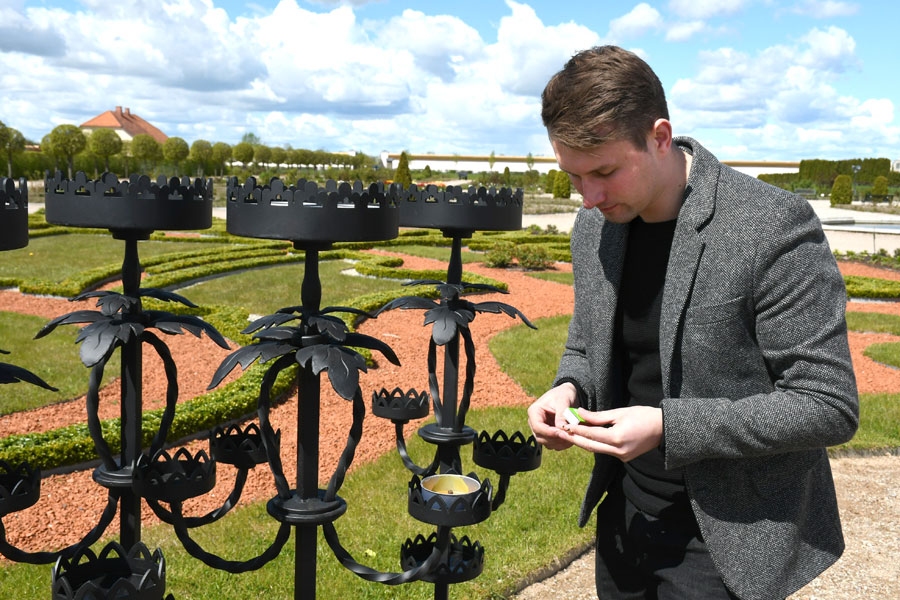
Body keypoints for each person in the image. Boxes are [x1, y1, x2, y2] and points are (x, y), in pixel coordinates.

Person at [526, 45, 859, 600]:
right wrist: (566, 387)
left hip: (730, 537)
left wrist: (666, 427)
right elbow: (587, 346)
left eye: (604, 172)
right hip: (625, 520)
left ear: (660, 136)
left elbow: (827, 404)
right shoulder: (594, 229)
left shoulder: (771, 227)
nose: (588, 198)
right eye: (574, 177)